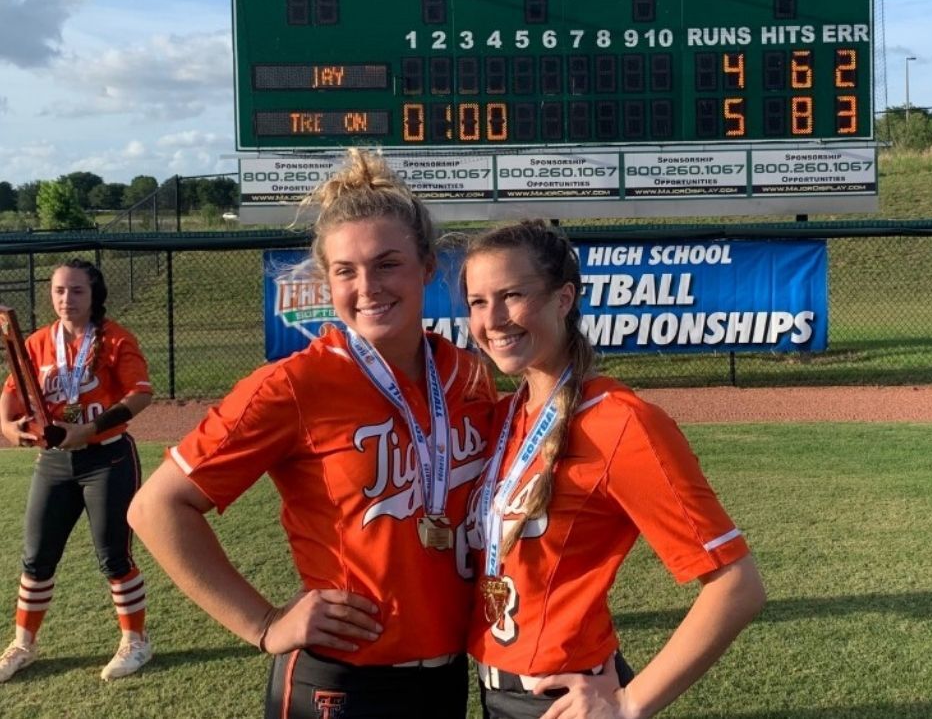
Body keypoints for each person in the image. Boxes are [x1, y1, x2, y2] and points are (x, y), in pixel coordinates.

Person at [128, 149, 495, 719]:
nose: (367, 286)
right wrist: (265, 623)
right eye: (345, 270)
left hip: (448, 674)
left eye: (387, 263)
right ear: (327, 279)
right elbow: (156, 508)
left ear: (427, 265)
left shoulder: (468, 374)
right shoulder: (293, 385)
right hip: (341, 682)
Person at [459, 220, 766, 719]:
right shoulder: (506, 415)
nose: (492, 319)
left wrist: (629, 704)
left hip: (565, 699)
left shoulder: (621, 423)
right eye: (477, 301)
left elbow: (738, 585)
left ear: (563, 299)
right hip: (495, 690)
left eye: (511, 295)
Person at [0, 258, 155, 683]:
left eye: (77, 291)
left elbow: (140, 395)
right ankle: (22, 645)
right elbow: (10, 395)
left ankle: (136, 641)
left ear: (94, 295)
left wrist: (85, 429)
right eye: (59, 291)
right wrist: (8, 427)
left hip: (106, 458)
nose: (66, 299)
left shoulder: (115, 339)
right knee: (36, 557)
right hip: (53, 462)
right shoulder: (35, 342)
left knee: (113, 556)